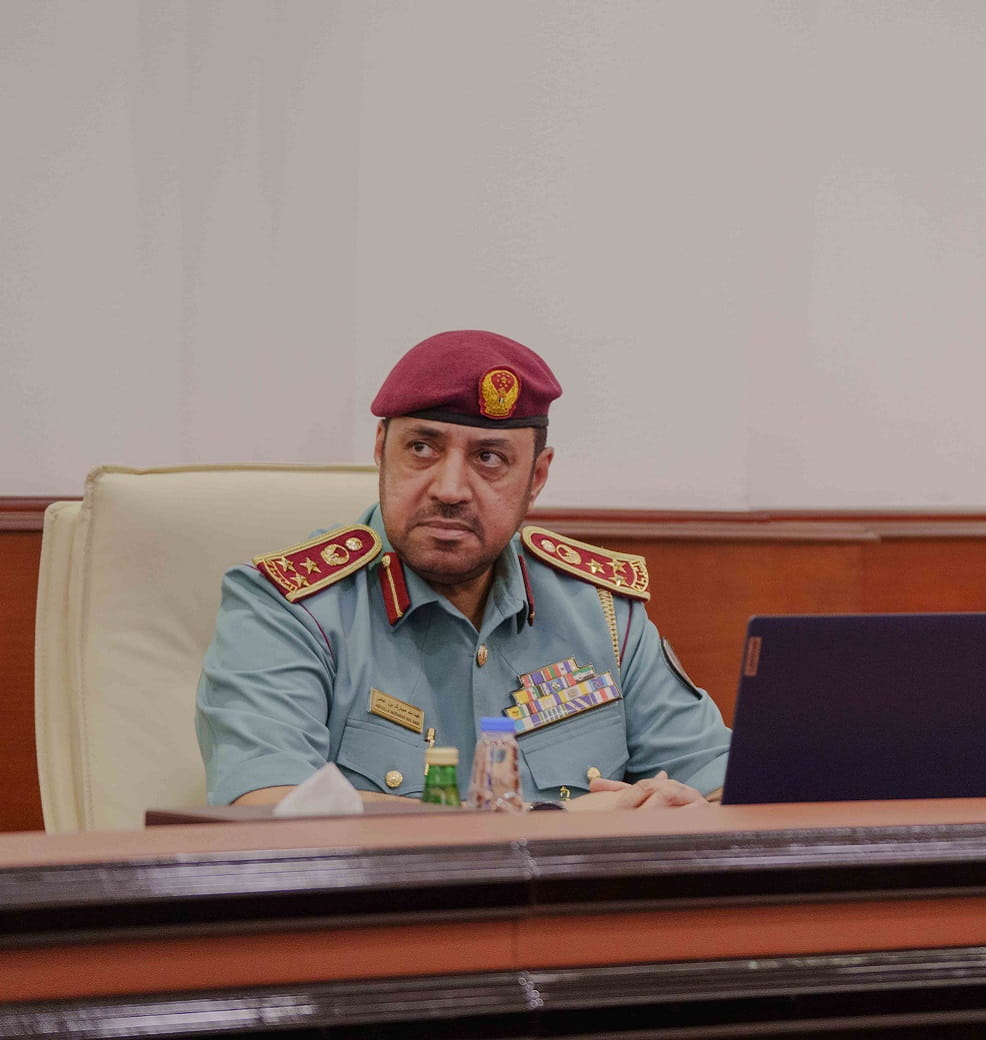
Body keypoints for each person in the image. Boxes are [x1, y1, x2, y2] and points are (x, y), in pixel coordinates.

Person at [196, 330, 730, 810]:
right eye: (422, 448)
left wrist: (688, 807)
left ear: (537, 477)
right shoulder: (286, 608)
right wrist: (553, 824)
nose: (450, 489)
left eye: (489, 458)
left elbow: (723, 779)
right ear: (381, 450)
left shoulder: (601, 611)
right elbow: (269, 805)